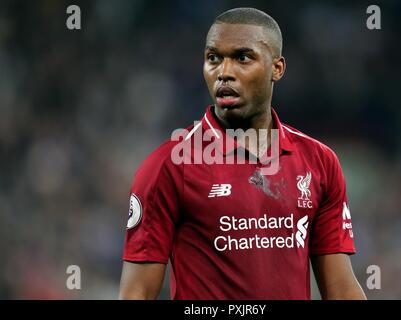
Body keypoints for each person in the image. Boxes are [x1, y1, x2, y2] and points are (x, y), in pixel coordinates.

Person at [119, 7, 366, 300]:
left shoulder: (319, 162)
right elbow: (137, 293)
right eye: (213, 58)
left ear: (277, 68)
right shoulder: (169, 166)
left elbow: (340, 288)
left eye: (242, 58)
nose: (224, 72)